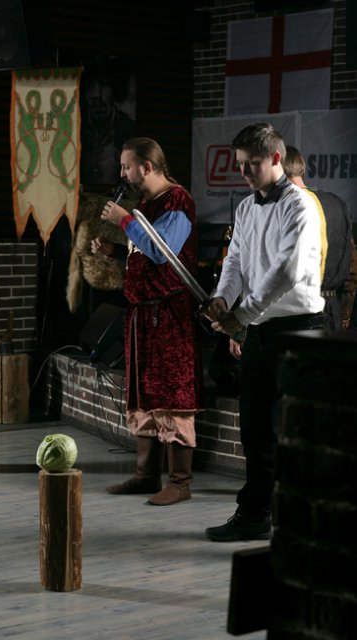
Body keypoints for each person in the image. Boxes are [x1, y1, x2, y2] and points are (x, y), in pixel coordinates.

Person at [202, 123, 325, 541]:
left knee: (298, 430)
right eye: (239, 164)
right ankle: (255, 514)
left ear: (276, 158)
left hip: (299, 331)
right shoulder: (245, 207)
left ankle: (305, 520)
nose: (243, 172)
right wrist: (223, 299)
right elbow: (235, 261)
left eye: (251, 163)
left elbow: (287, 272)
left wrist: (242, 315)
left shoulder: (300, 205)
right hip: (259, 331)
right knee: (255, 431)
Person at [91, 137, 202, 506]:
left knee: (172, 394)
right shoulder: (145, 205)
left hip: (168, 315)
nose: (122, 174)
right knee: (144, 395)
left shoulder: (177, 201)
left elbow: (161, 250)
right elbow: (143, 253)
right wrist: (115, 251)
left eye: (126, 166)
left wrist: (123, 220)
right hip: (142, 315)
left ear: (147, 167)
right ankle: (146, 475)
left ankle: (180, 482)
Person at [283, 145, 357, 331]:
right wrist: (345, 315)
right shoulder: (337, 203)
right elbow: (352, 265)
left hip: (293, 314)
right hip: (332, 311)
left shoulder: (284, 207)